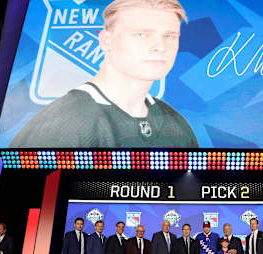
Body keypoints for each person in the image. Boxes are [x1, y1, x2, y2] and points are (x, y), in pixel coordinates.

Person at [10, 0, 198, 148]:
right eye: (142, 34)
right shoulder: (64, 124)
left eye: (169, 36)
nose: (160, 47)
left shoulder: (176, 124)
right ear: (106, 40)